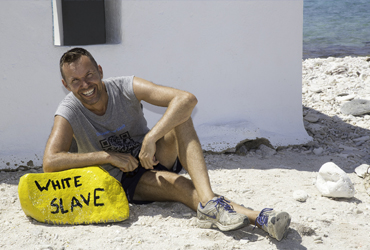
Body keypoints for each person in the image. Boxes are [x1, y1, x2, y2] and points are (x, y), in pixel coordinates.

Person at [43, 48, 291, 240]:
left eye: (89, 75)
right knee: (180, 184)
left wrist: (151, 138)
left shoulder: (125, 86)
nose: (85, 85)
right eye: (75, 81)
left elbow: (187, 99)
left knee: (180, 115)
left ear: (99, 70)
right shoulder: (68, 111)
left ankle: (209, 203)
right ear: (66, 85)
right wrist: (107, 156)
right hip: (125, 177)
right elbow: (50, 162)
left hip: (151, 155)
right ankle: (258, 217)